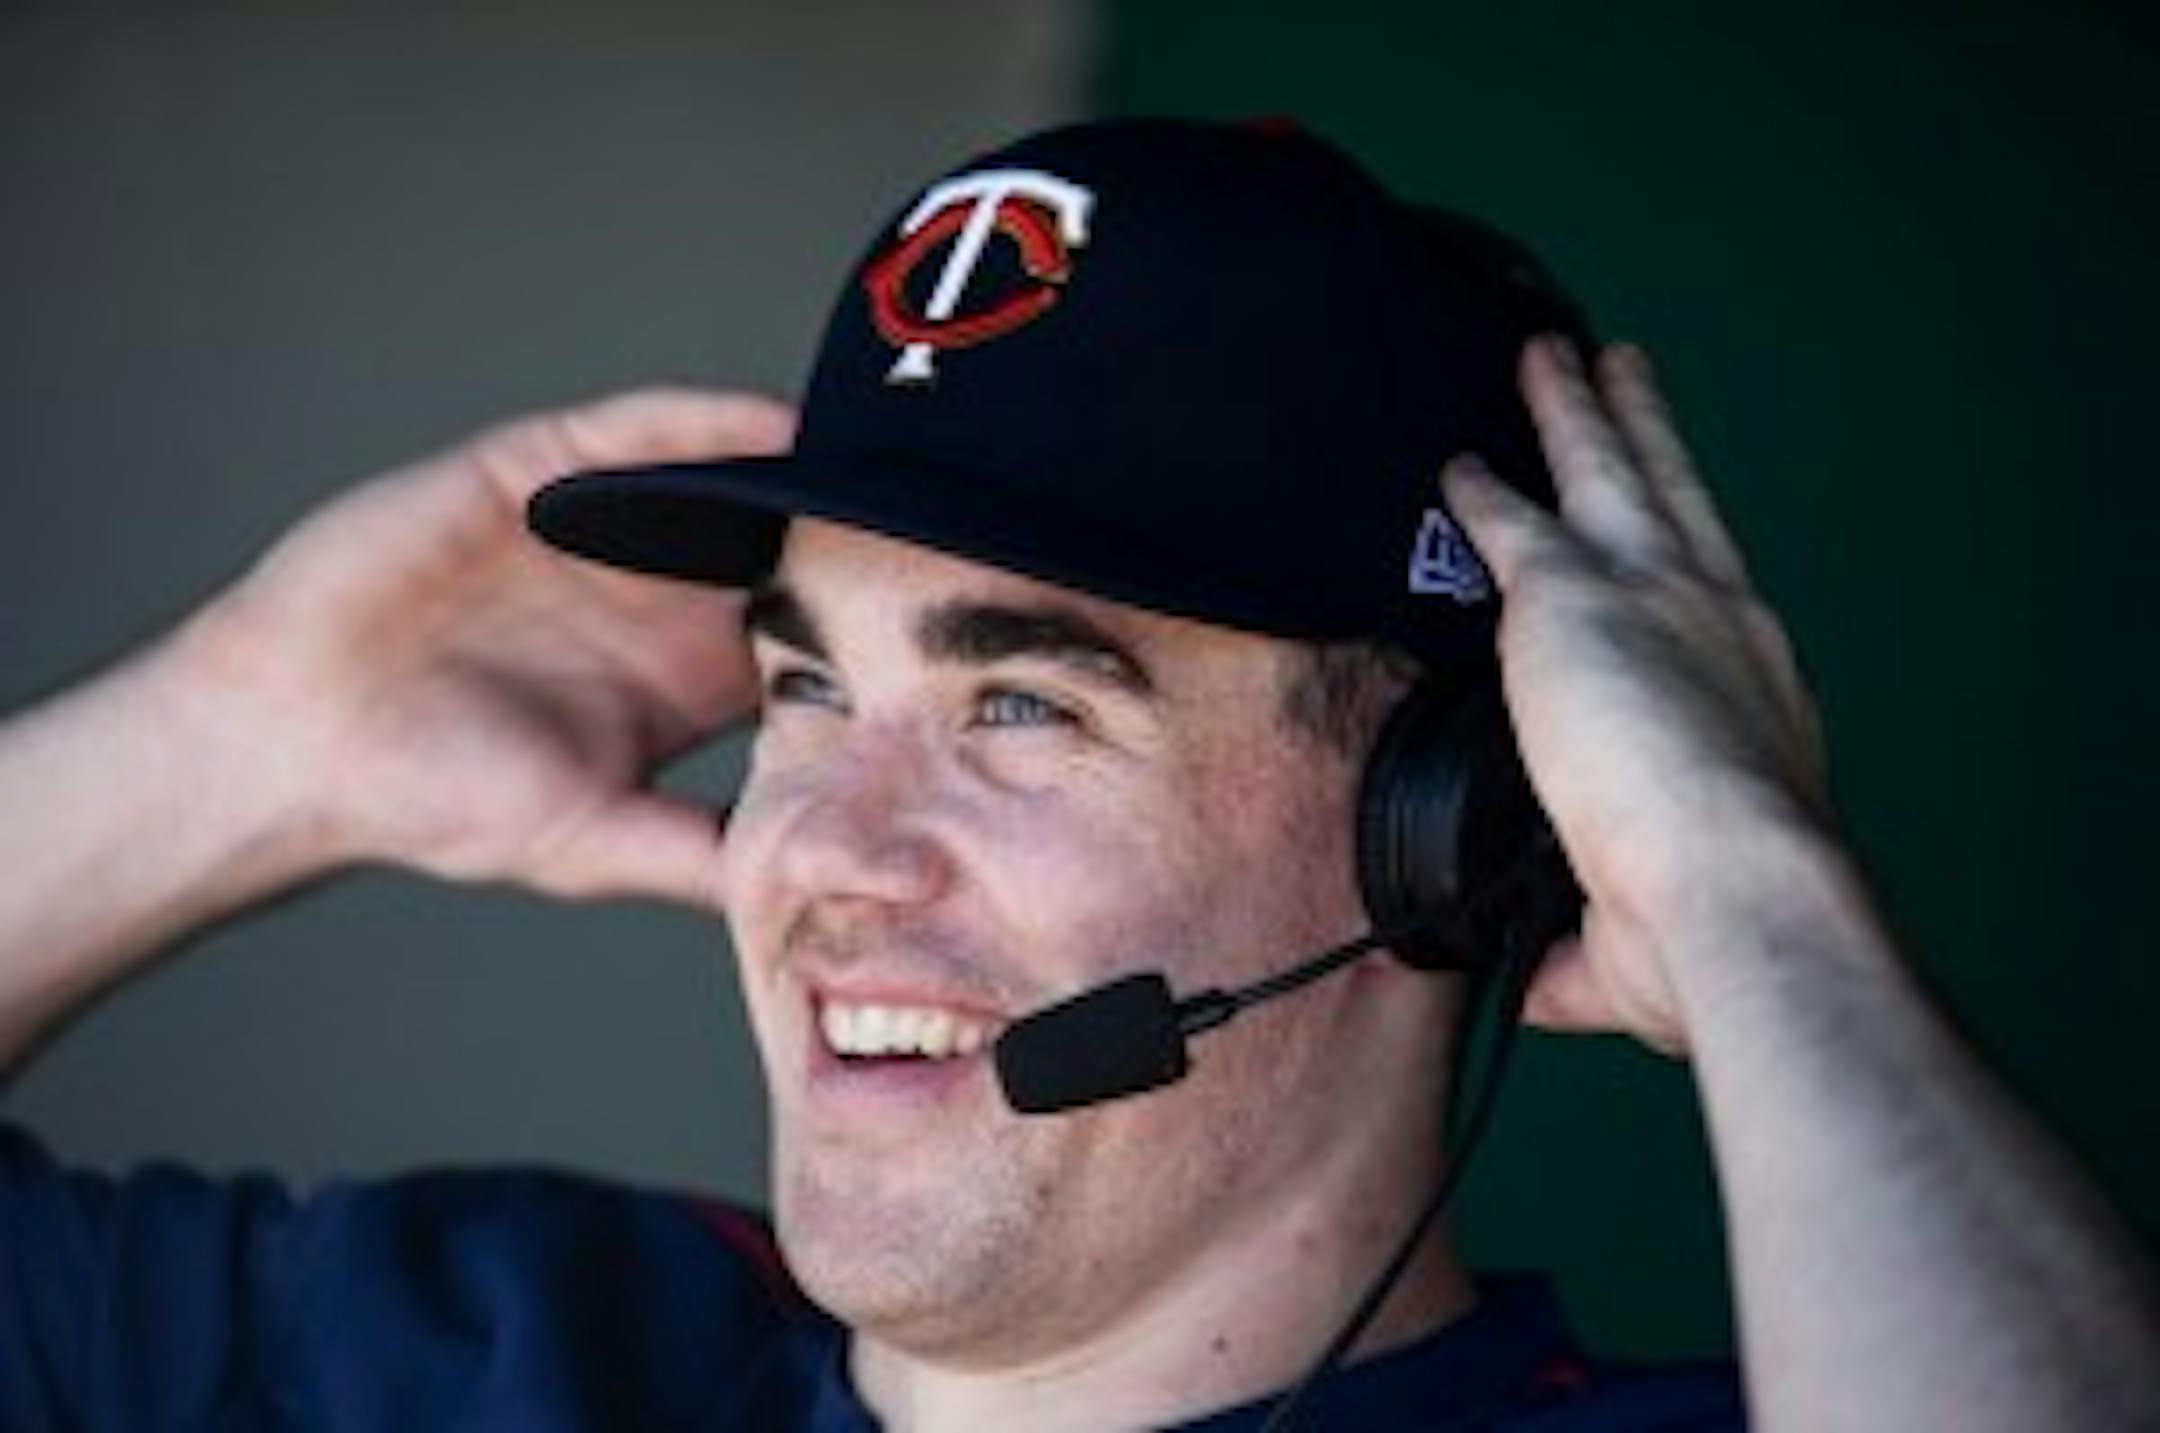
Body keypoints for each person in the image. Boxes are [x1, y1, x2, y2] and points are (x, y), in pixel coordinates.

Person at [0, 118, 2152, 1432]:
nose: (821, 851)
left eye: (1024, 706)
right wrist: (245, 735)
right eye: (804, 690)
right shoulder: (478, 1353)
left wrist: (1749, 891)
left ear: (1455, 834)